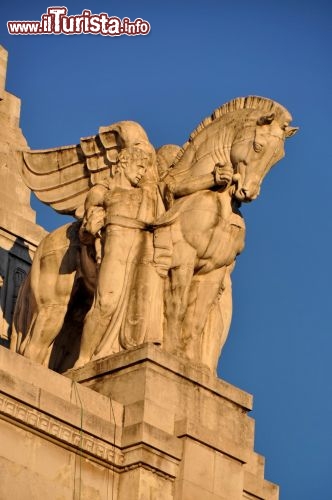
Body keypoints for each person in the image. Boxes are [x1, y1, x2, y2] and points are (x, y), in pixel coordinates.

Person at [74, 145, 165, 367]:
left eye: (145, 168)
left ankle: (117, 350)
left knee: (138, 305)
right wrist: (93, 224)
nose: (142, 172)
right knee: (106, 302)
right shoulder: (102, 191)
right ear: (124, 163)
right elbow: (86, 225)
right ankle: (83, 359)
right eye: (139, 166)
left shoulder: (146, 194)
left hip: (138, 253)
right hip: (115, 247)